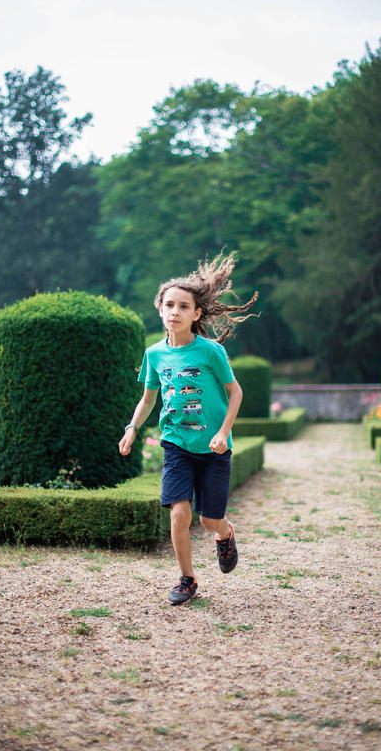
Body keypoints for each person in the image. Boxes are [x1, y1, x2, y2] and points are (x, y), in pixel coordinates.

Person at [119, 252, 258, 605]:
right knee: (179, 514)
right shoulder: (154, 354)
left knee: (209, 520)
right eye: (169, 305)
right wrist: (133, 427)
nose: (175, 311)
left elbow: (236, 392)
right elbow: (148, 399)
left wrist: (223, 432)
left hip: (214, 449)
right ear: (160, 310)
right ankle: (187, 579)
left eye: (183, 306)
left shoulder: (210, 352)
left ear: (196, 313)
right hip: (176, 444)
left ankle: (224, 534)